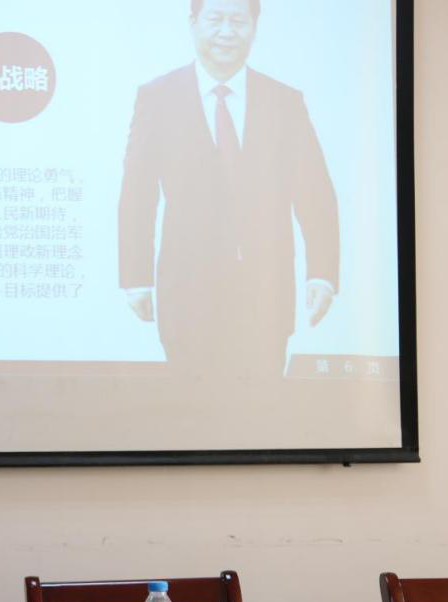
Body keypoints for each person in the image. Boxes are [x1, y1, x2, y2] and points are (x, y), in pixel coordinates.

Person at [118, 0, 340, 382]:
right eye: (215, 19)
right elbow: (137, 193)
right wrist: (136, 277)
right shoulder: (157, 97)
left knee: (261, 408)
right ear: (193, 23)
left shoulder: (284, 101)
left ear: (254, 27)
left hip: (265, 296)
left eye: (238, 20)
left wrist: (322, 273)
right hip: (186, 293)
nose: (226, 31)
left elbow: (315, 191)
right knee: (191, 408)